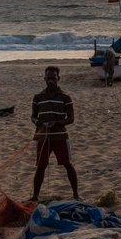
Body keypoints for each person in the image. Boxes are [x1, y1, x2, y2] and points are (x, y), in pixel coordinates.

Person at [32, 66, 79, 202]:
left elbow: (70, 119)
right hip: (42, 136)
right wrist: (38, 122)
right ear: (44, 79)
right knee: (40, 166)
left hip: (60, 136)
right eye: (48, 78)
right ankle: (35, 196)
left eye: (53, 78)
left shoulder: (65, 97)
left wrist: (57, 123)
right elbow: (33, 117)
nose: (51, 81)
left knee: (68, 164)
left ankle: (76, 194)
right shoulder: (38, 97)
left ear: (58, 78)